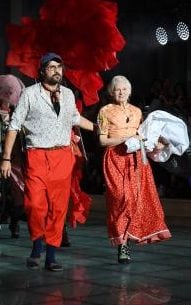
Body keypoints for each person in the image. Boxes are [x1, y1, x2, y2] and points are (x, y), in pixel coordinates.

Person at [0, 52, 94, 272]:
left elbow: (75, 119)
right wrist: (5, 158)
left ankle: (50, 255)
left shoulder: (69, 94)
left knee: (58, 207)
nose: (56, 71)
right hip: (37, 155)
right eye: (51, 67)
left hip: (62, 156)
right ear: (42, 71)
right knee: (34, 204)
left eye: (59, 67)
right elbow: (14, 126)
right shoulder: (30, 94)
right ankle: (36, 245)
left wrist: (98, 128)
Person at [97, 75, 171, 264]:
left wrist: (158, 143)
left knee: (135, 200)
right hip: (115, 158)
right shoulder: (105, 111)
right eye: (117, 89)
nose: (120, 92)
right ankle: (122, 240)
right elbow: (102, 140)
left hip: (137, 159)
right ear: (111, 92)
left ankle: (125, 244)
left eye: (124, 89)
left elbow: (145, 136)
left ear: (129, 91)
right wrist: (127, 138)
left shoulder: (138, 112)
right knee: (121, 198)